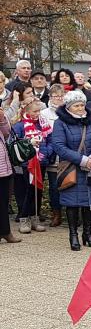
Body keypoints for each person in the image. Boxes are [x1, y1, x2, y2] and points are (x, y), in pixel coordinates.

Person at [51, 91, 91, 251]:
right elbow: (59, 146)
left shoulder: (90, 121)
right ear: (69, 107)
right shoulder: (61, 123)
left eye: (82, 105)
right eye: (76, 105)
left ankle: (87, 233)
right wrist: (82, 160)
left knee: (90, 202)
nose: (81, 108)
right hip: (72, 168)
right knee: (72, 203)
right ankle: (73, 234)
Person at [12, 98, 52, 234]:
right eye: (35, 111)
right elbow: (16, 144)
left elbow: (49, 141)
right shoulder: (19, 126)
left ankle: (35, 217)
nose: (38, 113)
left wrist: (46, 154)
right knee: (28, 191)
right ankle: (24, 217)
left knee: (38, 190)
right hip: (26, 163)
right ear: (27, 111)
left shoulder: (43, 124)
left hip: (41, 161)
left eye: (39, 110)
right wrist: (29, 145)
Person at [42, 84, 65, 227]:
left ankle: (71, 212)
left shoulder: (69, 111)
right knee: (54, 186)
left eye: (61, 96)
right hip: (52, 156)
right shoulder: (44, 113)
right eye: (55, 96)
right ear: (50, 97)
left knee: (68, 184)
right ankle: (56, 213)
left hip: (67, 155)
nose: (58, 99)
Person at [0, 102, 19, 242]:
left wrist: (2, 119)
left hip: (3, 165)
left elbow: (7, 133)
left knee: (4, 200)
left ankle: (5, 231)